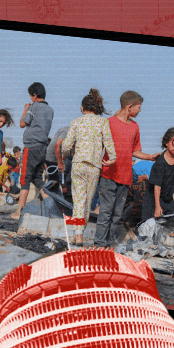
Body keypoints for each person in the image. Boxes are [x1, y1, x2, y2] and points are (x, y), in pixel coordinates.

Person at [95, 90, 159, 247]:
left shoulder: (135, 127)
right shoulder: (108, 122)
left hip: (125, 177)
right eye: (139, 107)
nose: (140, 111)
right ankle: (99, 245)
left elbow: (135, 151)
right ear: (130, 107)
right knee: (105, 212)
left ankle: (109, 245)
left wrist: (150, 157)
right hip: (108, 175)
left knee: (117, 214)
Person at [60, 88, 116, 246]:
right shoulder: (103, 122)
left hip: (78, 164)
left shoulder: (76, 122)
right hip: (94, 167)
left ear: (82, 108)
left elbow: (66, 144)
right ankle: (80, 233)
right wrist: (112, 158)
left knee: (78, 199)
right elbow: (109, 142)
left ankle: (77, 235)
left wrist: (65, 154)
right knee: (87, 201)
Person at [11, 82, 54, 220]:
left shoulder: (33, 107)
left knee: (25, 179)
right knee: (37, 178)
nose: (30, 99)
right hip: (42, 148)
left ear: (34, 96)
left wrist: (26, 109)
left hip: (31, 146)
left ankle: (19, 212)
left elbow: (22, 123)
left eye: (30, 96)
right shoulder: (50, 110)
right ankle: (50, 207)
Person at [45, 125, 72, 195]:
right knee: (54, 182)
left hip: (55, 158)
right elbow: (57, 145)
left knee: (54, 181)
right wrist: (59, 163)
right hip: (52, 158)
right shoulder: (66, 131)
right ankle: (49, 198)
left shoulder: (67, 130)